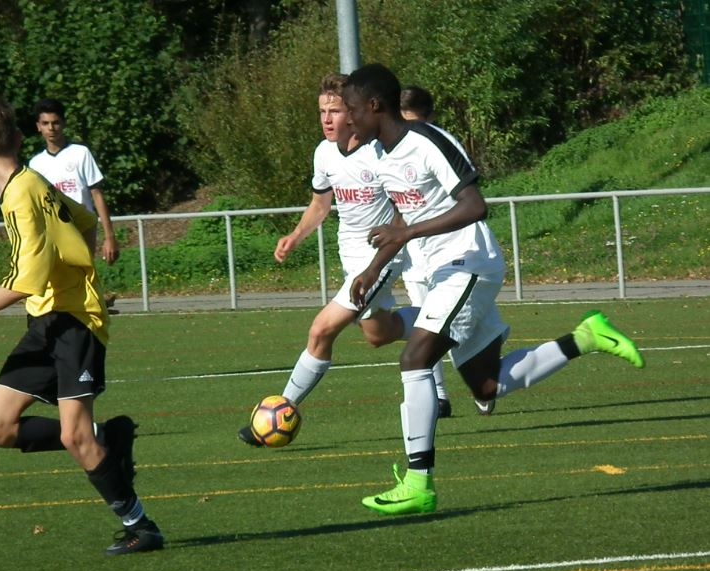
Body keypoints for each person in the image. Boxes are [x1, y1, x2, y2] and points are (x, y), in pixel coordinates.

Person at [342, 63, 645, 516]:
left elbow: (474, 206)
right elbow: (407, 217)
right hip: (445, 273)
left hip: (469, 264)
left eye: (351, 109)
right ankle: (586, 337)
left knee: (414, 358)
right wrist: (373, 268)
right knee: (487, 385)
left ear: (374, 105)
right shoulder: (381, 157)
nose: (348, 119)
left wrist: (406, 234)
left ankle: (418, 483)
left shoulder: (427, 142)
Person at [0, 95, 163, 555]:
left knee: (73, 437)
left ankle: (141, 526)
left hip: (74, 323)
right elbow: (84, 220)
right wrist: (77, 268)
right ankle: (107, 438)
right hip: (45, 323)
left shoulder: (22, 193)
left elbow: (24, 281)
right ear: (17, 138)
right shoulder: (31, 181)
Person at [237, 74, 451, 448]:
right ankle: (450, 319)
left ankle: (281, 409)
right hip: (350, 257)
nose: (327, 118)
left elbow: (406, 204)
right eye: (322, 111)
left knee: (321, 330)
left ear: (351, 113)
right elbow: (320, 205)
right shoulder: (323, 153)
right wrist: (295, 236)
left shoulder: (379, 152)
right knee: (379, 333)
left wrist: (393, 240)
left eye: (334, 110)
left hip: (380, 259)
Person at [400, 85, 495, 417]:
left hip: (459, 257)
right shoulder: (391, 149)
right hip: (422, 258)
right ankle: (438, 397)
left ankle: (581, 341)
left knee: (441, 342)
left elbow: (470, 202)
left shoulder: (436, 143)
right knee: (423, 335)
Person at [30, 98, 119, 305]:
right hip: (54, 229)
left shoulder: (80, 153)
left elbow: (97, 194)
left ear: (63, 124)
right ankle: (95, 303)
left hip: (82, 226)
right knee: (58, 280)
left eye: (55, 122)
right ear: (38, 127)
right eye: (45, 123)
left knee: (82, 273)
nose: (51, 128)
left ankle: (94, 304)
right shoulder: (36, 163)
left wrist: (109, 237)